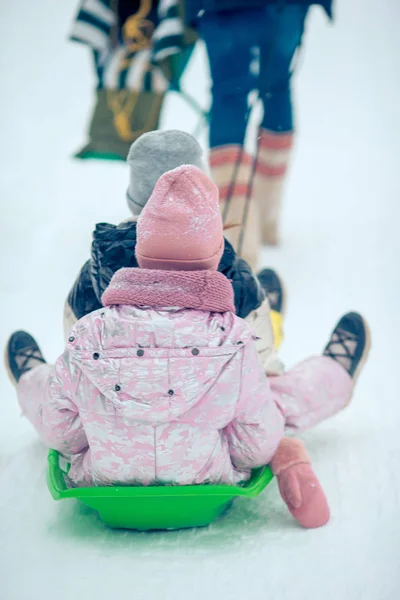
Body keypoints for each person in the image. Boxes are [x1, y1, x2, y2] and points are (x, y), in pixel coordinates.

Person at [6, 164, 370, 528]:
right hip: (207, 482)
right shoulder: (232, 340)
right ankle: (333, 373)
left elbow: (61, 435)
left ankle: (30, 375)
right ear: (214, 258)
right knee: (274, 403)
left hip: (104, 483)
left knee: (51, 390)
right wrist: (209, 446)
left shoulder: (88, 334)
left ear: (140, 252)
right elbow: (256, 445)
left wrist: (109, 440)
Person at [65, 129, 285, 375]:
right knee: (265, 336)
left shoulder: (95, 273)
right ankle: (273, 316)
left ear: (134, 198)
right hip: (214, 405)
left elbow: (76, 355)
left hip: (120, 402)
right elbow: (259, 364)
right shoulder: (236, 276)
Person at [185, 0, 333, 268]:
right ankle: (266, 217)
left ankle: (237, 237)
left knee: (229, 96)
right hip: (284, 8)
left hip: (222, 11)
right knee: (277, 90)